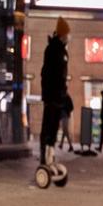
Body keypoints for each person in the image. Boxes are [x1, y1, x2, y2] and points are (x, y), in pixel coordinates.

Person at [39, 19, 69, 164]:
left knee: (54, 128)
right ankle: (44, 157)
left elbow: (62, 77)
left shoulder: (62, 50)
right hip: (52, 96)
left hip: (58, 96)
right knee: (48, 126)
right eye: (67, 34)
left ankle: (50, 154)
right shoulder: (52, 50)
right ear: (62, 34)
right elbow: (47, 74)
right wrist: (48, 94)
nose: (68, 37)